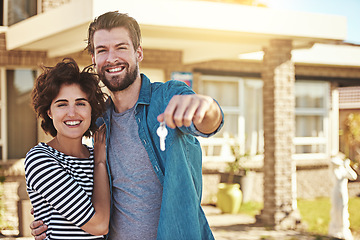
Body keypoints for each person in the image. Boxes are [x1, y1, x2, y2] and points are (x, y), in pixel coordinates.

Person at [31, 11, 224, 240]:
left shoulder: (168, 97)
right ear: (94, 59)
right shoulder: (99, 120)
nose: (111, 58)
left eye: (121, 47)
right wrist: (50, 218)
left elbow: (208, 122)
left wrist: (207, 105)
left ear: (138, 52)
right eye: (102, 50)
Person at [26, 58, 110, 239]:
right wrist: (101, 162)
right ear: (49, 111)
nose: (72, 113)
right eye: (62, 104)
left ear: (90, 110)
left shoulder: (96, 155)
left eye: (80, 103)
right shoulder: (40, 160)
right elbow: (100, 225)